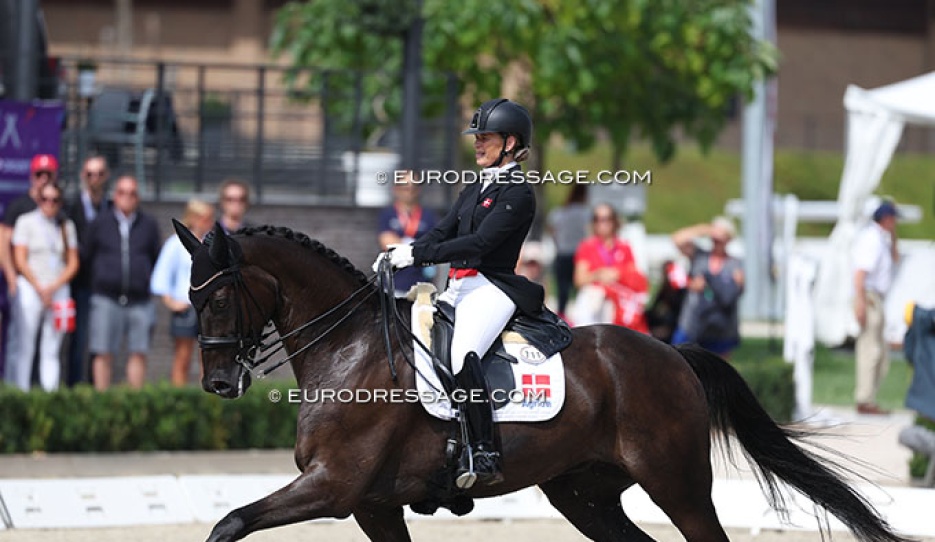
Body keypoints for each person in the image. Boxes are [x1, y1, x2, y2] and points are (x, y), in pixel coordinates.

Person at [372, 98, 542, 489]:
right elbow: (443, 231)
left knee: (462, 352)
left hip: (494, 286)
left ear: (511, 143)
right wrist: (403, 252)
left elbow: (479, 245)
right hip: (459, 286)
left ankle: (482, 451)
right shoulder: (475, 186)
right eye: (476, 137)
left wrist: (417, 252)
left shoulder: (517, 191)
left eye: (486, 137)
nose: (477, 144)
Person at [85, 175, 162, 390]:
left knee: (139, 351)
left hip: (139, 299)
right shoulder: (100, 223)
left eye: (132, 193)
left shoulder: (148, 224)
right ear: (114, 195)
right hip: (106, 297)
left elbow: (156, 257)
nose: (127, 197)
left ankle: (134, 401)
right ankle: (102, 402)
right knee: (103, 351)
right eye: (122, 192)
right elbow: (87, 256)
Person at [7, 183, 79, 391]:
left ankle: (50, 395)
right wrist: (40, 287)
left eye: (54, 200)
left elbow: (73, 262)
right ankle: (21, 392)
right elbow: (20, 259)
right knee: (25, 345)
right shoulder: (26, 221)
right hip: (32, 287)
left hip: (57, 289)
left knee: (52, 347)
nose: (49, 204)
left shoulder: (66, 225)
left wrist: (53, 287)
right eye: (45, 199)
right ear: (38, 200)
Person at [0, 154, 57, 380]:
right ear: (32, 177)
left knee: (48, 346)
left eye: (48, 174)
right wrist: (12, 276)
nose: (43, 179)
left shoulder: (57, 206)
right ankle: (17, 390)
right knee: (20, 341)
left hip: (50, 285)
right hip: (26, 282)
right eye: (39, 174)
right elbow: (4, 242)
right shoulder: (20, 206)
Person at [151, 199, 215, 387]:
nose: (210, 222)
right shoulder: (176, 243)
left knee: (208, 357)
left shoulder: (212, 243)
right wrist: (170, 302)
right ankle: (179, 394)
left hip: (208, 307)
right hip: (185, 306)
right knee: (182, 356)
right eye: (205, 218)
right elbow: (162, 275)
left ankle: (208, 397)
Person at [62, 155, 111, 386]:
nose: (95, 179)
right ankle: (73, 385)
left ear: (106, 176)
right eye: (90, 174)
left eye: (99, 174)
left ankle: (93, 386)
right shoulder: (71, 206)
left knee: (99, 341)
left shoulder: (109, 208)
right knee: (78, 339)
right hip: (79, 282)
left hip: (102, 282)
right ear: (83, 176)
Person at [671, 216, 744, 358]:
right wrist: (704, 229)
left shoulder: (734, 264)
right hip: (693, 323)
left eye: (722, 237)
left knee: (717, 370)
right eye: (714, 238)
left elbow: (738, 291)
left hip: (720, 326)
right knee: (680, 360)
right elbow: (677, 239)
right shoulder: (700, 256)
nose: (716, 241)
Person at [851, 200, 899, 416]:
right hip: (869, 297)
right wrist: (860, 302)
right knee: (871, 350)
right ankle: (864, 399)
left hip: (876, 298)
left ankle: (869, 397)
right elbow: (860, 273)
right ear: (887, 219)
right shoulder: (872, 239)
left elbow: (895, 259)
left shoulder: (881, 239)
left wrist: (894, 238)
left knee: (880, 353)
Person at [570, 203, 649, 333]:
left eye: (607, 219)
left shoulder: (623, 247)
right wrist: (598, 275)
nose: (602, 223)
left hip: (617, 301)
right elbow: (579, 280)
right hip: (594, 300)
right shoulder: (587, 246)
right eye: (597, 219)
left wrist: (617, 274)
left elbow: (634, 274)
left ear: (614, 221)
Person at [376, 171, 437, 296]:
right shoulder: (388, 214)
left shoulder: (428, 216)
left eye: (413, 188)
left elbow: (433, 246)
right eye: (405, 188)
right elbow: (386, 242)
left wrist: (401, 243)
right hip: (393, 283)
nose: (409, 191)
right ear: (396, 189)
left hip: (421, 285)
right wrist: (417, 246)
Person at [546, 183, 589, 319]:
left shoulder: (560, 212)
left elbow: (552, 230)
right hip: (580, 255)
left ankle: (562, 317)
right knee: (580, 291)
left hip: (563, 253)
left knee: (562, 292)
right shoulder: (586, 213)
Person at [645, 260, 688, 344]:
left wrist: (667, 329)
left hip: (675, 327)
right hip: (663, 326)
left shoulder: (680, 291)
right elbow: (653, 309)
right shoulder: (664, 289)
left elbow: (680, 313)